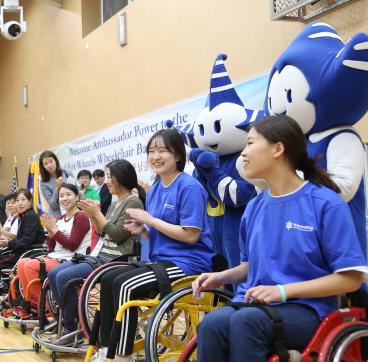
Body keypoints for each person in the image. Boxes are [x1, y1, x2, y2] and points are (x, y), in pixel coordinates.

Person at [193, 115, 367, 362]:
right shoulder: (254, 208)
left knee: (246, 322)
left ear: (278, 148)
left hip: (309, 309)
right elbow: (251, 266)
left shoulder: (325, 203)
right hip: (256, 305)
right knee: (211, 324)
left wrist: (283, 291)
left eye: (250, 143)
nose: (243, 154)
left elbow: (350, 279)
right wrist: (220, 277)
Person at [95, 129, 215, 361]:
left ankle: (122, 355)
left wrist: (150, 220)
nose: (156, 156)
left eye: (163, 150)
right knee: (109, 279)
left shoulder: (189, 187)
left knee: (126, 286)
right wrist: (144, 230)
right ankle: (105, 348)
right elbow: (160, 229)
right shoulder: (157, 188)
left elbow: (191, 236)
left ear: (178, 156)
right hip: (162, 260)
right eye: (151, 151)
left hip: (189, 264)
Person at [47, 159, 145, 338]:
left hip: (115, 260)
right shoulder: (115, 204)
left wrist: (97, 214)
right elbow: (101, 232)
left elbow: (118, 235)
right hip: (99, 256)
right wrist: (93, 216)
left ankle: (73, 327)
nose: (106, 181)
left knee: (63, 277)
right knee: (54, 274)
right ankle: (73, 322)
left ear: (120, 177)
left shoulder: (133, 202)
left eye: (109, 176)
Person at [14, 183, 92, 319]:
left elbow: (72, 245)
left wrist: (54, 230)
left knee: (30, 266)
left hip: (73, 259)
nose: (65, 198)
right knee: (22, 263)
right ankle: (35, 304)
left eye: (68, 194)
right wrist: (50, 233)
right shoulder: (60, 219)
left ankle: (46, 306)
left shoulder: (82, 217)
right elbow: (51, 247)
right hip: (55, 256)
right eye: (61, 195)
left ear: (76, 197)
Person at [0, 188, 46, 309]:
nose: (19, 203)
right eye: (17, 200)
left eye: (23, 200)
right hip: (19, 250)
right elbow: (20, 239)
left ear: (30, 202)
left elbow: (27, 240)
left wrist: (9, 244)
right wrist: (8, 243)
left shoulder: (30, 216)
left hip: (27, 253)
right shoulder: (23, 216)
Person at [39, 150, 74, 218]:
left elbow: (76, 192)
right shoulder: (43, 183)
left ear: (56, 161)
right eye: (45, 164)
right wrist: (57, 188)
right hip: (58, 216)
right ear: (43, 166)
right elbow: (54, 206)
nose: (49, 165)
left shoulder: (66, 173)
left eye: (51, 161)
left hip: (73, 211)